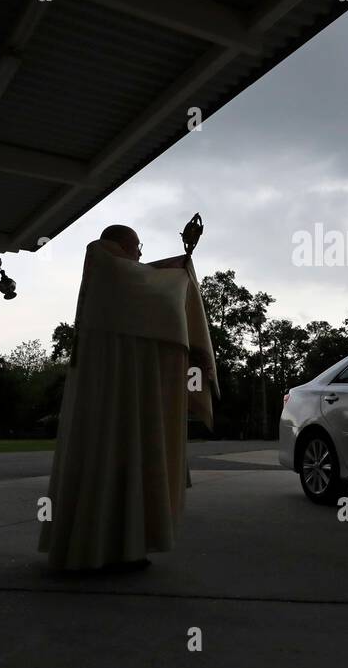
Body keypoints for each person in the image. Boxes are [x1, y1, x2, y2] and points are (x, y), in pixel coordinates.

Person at [38, 225, 217, 571]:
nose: (139, 255)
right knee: (121, 456)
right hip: (118, 393)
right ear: (120, 244)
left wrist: (179, 266)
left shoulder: (112, 276)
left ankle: (107, 547)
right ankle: (114, 548)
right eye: (137, 247)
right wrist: (179, 275)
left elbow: (148, 283)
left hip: (114, 393)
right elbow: (155, 291)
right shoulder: (106, 265)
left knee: (110, 460)